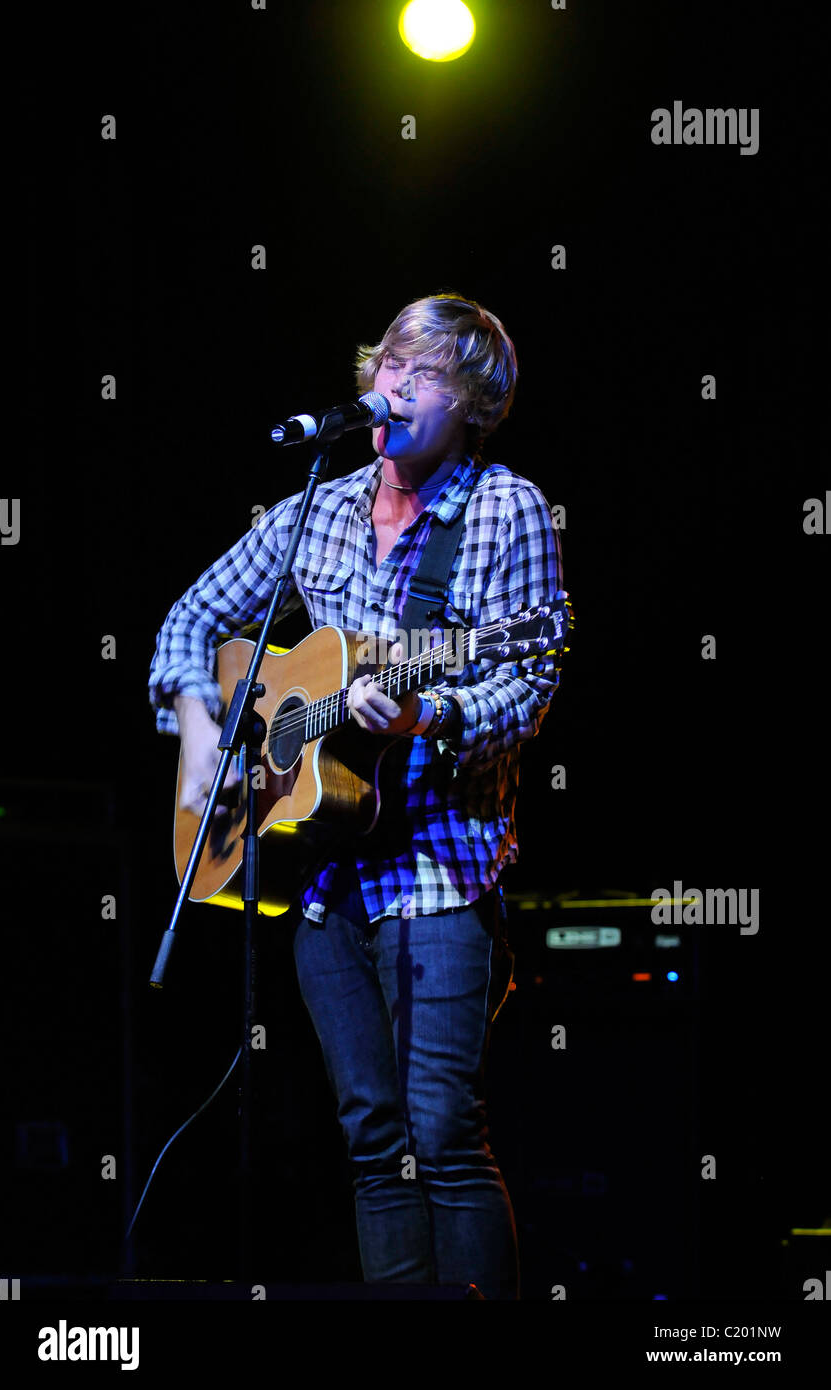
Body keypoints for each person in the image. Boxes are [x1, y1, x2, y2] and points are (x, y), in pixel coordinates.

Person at [149, 292, 564, 1299]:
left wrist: (433, 718)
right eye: (389, 365)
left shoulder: (506, 507)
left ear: (471, 405)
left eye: (425, 377)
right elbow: (191, 615)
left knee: (440, 1134)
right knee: (374, 1140)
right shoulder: (320, 507)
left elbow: (531, 676)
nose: (395, 386)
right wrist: (205, 734)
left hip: (439, 867)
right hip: (327, 874)